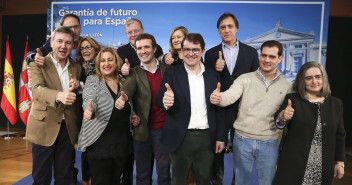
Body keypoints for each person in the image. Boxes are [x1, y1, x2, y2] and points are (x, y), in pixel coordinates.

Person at [210, 40, 291, 185]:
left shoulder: (287, 86)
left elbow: (285, 116)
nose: (266, 60)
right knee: (241, 181)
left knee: (267, 182)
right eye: (264, 55)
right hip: (242, 141)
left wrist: (284, 117)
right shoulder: (245, 79)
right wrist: (218, 98)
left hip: (270, 142)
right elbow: (229, 96)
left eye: (272, 57)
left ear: (279, 58)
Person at [155, 33, 226, 185]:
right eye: (186, 49)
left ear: (203, 51)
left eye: (195, 50)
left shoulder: (213, 76)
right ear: (181, 51)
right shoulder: (172, 73)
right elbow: (159, 99)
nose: (190, 54)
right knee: (178, 181)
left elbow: (219, 110)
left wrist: (221, 136)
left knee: (203, 180)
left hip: (207, 138)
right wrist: (166, 101)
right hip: (180, 137)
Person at [204, 12, 259, 185]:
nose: (226, 30)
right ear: (218, 31)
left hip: (243, 109)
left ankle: (238, 181)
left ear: (236, 29)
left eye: (230, 26)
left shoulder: (250, 52)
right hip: (219, 109)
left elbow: (256, 79)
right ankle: (217, 182)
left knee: (241, 152)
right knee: (217, 149)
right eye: (223, 27)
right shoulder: (212, 54)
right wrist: (215, 68)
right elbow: (207, 80)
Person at [272, 61, 345, 185]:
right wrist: (283, 117)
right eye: (309, 78)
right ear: (302, 81)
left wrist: (339, 162)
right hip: (294, 165)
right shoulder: (292, 100)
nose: (314, 81)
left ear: (324, 79)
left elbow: (340, 135)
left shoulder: (336, 104)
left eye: (318, 77)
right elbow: (279, 123)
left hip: (322, 167)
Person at [26, 26, 82, 184]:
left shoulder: (76, 67)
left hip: (67, 129)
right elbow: (36, 90)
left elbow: (80, 91)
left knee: (64, 176)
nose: (63, 46)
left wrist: (79, 86)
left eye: (68, 43)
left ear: (72, 46)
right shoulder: (38, 62)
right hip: (43, 126)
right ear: (51, 43)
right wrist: (59, 95)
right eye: (59, 41)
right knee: (41, 177)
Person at [77, 47, 139, 185]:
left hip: (122, 143)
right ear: (99, 64)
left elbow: (131, 105)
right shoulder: (93, 80)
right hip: (99, 143)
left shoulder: (125, 82)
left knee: (115, 181)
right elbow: (88, 99)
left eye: (110, 60)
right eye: (103, 60)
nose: (106, 63)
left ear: (117, 63)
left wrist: (134, 116)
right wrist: (88, 110)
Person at [115, 33, 171, 185]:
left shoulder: (168, 71)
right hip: (141, 131)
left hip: (164, 131)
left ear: (154, 49)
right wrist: (122, 98)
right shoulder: (134, 72)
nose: (143, 51)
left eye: (146, 47)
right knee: (142, 176)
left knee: (164, 175)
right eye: (139, 48)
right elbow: (126, 89)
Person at [75, 37, 101, 185]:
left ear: (96, 48)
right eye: (83, 48)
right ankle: (86, 180)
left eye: (89, 47)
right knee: (86, 148)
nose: (85, 50)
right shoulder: (77, 66)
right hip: (84, 113)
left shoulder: (103, 65)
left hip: (102, 113)